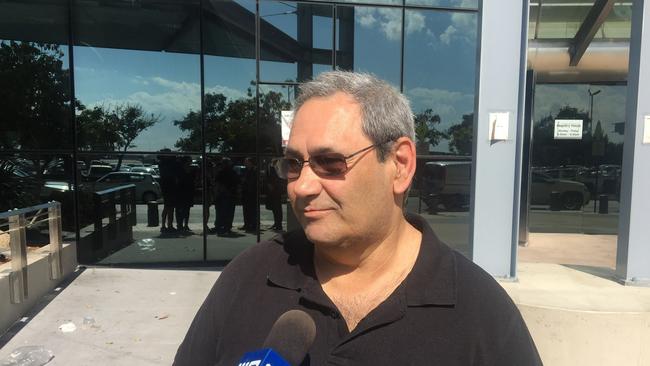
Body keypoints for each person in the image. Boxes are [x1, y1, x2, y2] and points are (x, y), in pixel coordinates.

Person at [173, 72, 542, 365]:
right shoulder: (248, 277)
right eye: (293, 164)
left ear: (399, 165)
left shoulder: (481, 314)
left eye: (330, 163)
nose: (301, 187)